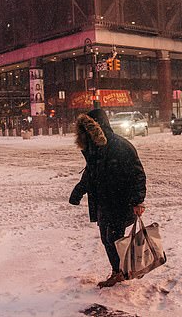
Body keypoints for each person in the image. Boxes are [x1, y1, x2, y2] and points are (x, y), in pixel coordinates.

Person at [69, 108, 147, 288]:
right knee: (107, 238)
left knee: (113, 238)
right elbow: (90, 173)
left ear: (97, 127)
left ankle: (123, 270)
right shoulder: (95, 148)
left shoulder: (120, 146)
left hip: (120, 200)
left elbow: (138, 174)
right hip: (104, 201)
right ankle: (120, 270)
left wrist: (137, 200)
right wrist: (78, 191)